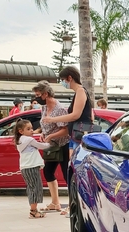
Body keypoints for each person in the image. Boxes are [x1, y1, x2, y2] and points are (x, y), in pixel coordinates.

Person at [41, 66, 94, 217]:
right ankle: (74, 205)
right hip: (75, 137)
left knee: (77, 173)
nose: (63, 83)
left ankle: (75, 206)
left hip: (78, 138)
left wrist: (53, 119)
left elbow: (75, 115)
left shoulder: (81, 91)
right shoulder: (79, 93)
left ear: (69, 78)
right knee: (75, 173)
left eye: (63, 80)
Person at [33, 80, 70, 214]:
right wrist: (44, 134)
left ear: (45, 94)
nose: (36, 98)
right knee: (48, 171)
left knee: (67, 174)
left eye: (38, 95)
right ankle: (55, 202)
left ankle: (73, 204)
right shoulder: (43, 107)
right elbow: (45, 125)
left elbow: (66, 130)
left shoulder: (59, 109)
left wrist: (50, 136)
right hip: (52, 146)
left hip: (63, 145)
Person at [14, 119, 50, 219]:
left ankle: (34, 210)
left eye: (31, 128)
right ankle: (33, 211)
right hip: (31, 167)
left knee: (31, 188)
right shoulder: (29, 140)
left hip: (25, 167)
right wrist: (51, 143)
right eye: (28, 129)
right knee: (36, 188)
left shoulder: (21, 140)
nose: (31, 131)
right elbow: (41, 146)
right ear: (21, 131)